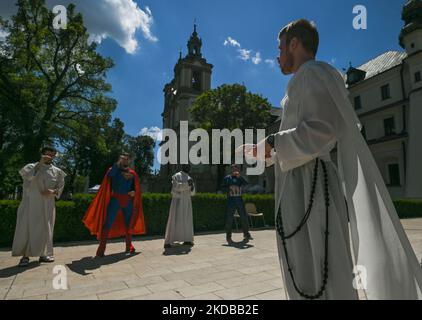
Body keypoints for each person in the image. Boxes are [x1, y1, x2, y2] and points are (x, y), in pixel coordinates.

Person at [239, 19, 422, 300]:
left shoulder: (312, 73)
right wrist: (268, 152)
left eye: (279, 47)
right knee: (308, 268)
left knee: (319, 271)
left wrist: (274, 142)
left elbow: (323, 131)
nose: (277, 56)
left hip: (311, 186)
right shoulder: (303, 80)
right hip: (303, 184)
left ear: (294, 44)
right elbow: (306, 136)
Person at [12, 146, 66, 267]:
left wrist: (53, 191)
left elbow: (60, 186)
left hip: (47, 205)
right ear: (42, 154)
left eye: (52, 155)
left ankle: (44, 254)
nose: (49, 157)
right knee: (26, 228)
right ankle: (24, 256)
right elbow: (28, 177)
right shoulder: (31, 167)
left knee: (46, 229)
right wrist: (40, 163)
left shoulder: (57, 171)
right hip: (30, 204)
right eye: (47, 154)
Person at [83, 153, 145, 257]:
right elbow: (110, 175)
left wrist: (133, 192)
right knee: (107, 224)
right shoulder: (114, 170)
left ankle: (128, 247)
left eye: (127, 159)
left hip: (128, 201)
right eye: (123, 158)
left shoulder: (133, 173)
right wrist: (118, 164)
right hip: (115, 200)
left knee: (129, 224)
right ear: (120, 159)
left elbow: (135, 187)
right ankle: (101, 250)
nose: (125, 160)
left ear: (129, 161)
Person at [164, 164, 196, 249]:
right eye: (187, 166)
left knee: (187, 220)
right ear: (183, 166)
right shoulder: (176, 176)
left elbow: (193, 193)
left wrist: (192, 187)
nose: (188, 168)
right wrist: (187, 185)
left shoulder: (190, 177)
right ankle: (168, 241)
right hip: (178, 201)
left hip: (187, 202)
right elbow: (176, 187)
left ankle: (187, 239)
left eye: (189, 166)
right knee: (175, 219)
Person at [221, 165, 253, 244]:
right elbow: (222, 188)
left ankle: (246, 233)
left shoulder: (240, 178)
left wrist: (240, 177)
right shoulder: (227, 178)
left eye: (237, 169)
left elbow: (246, 184)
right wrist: (230, 189)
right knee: (229, 219)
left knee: (244, 217)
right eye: (234, 169)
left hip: (239, 201)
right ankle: (228, 235)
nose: (235, 170)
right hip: (231, 201)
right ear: (231, 170)